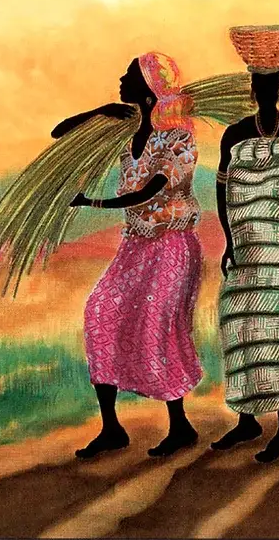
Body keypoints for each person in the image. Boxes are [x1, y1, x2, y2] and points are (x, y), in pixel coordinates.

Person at [59, 52, 203, 459]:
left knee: (156, 327)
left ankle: (180, 425)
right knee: (100, 312)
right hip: (136, 246)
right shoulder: (128, 134)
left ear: (150, 88)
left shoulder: (177, 139)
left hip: (171, 245)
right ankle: (111, 428)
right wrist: (99, 112)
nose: (122, 79)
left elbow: (149, 191)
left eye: (130, 75)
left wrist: (93, 203)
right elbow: (59, 133)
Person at [212, 22, 279, 463]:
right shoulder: (235, 132)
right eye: (263, 86)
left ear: (277, 88)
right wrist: (229, 239)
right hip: (250, 244)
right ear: (254, 92)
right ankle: (247, 419)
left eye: (272, 85)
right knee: (238, 322)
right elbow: (222, 190)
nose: (267, 92)